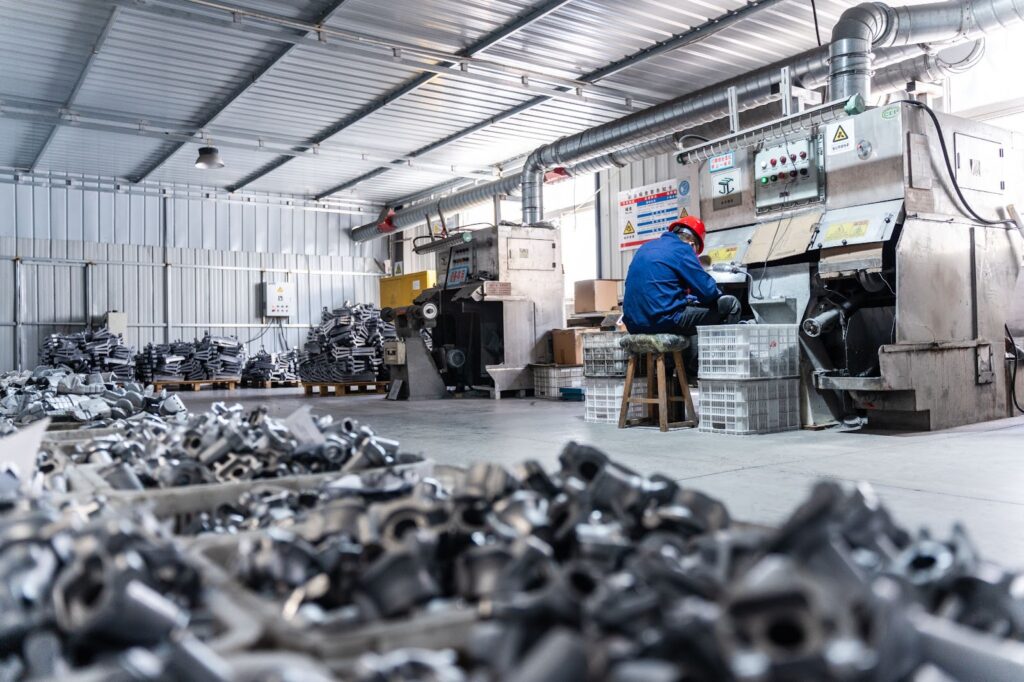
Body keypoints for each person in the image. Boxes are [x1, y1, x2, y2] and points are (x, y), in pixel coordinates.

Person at [622, 215, 741, 336]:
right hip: (662, 322)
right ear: (692, 243)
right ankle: (723, 353)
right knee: (731, 304)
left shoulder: (645, 247)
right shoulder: (683, 248)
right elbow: (708, 292)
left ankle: (687, 354)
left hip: (633, 324)